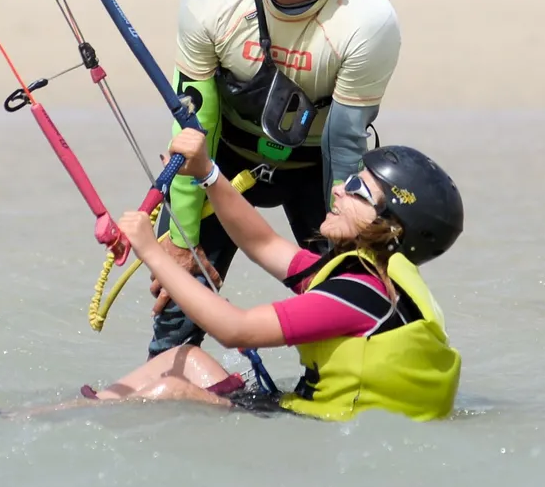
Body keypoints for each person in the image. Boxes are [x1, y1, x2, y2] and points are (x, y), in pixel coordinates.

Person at [148, 0, 402, 359]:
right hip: (220, 162)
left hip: (315, 171)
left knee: (346, 303)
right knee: (177, 307)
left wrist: (346, 246)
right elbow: (192, 127)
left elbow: (344, 148)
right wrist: (179, 237)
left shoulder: (368, 21)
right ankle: (168, 392)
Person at [81, 126, 464, 421]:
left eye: (357, 191)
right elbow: (263, 242)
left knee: (171, 391)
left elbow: (236, 330)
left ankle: (75, 424)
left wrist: (151, 251)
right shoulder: (367, 276)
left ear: (392, 227)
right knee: (184, 357)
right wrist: (208, 174)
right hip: (296, 414)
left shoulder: (363, 295)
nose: (337, 192)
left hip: (311, 432)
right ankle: (70, 412)